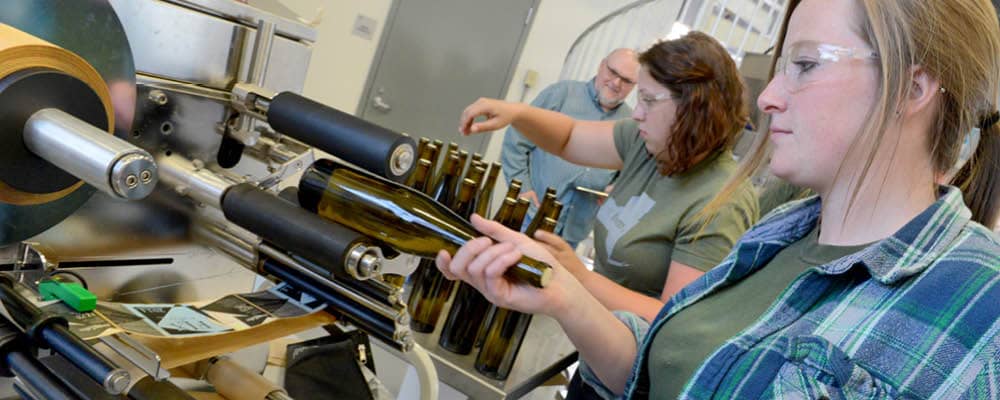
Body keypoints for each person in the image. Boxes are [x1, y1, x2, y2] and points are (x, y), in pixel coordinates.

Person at [437, 0, 1000, 397]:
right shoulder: (775, 238)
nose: (771, 97)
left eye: (805, 65)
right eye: (779, 69)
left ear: (910, 88)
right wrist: (562, 292)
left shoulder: (982, 310)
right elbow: (662, 373)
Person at [462, 32, 759, 325]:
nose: (638, 113)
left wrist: (578, 276)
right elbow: (569, 138)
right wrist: (516, 113)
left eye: (649, 100)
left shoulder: (721, 200)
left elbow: (673, 318)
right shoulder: (646, 143)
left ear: (694, 108)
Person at [501, 48, 639, 248]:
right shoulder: (561, 94)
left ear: (634, 86)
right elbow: (516, 142)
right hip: (528, 218)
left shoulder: (631, 124)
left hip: (573, 234)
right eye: (613, 72)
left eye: (626, 80)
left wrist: (614, 190)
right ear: (601, 66)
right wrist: (522, 189)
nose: (616, 83)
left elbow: (626, 174)